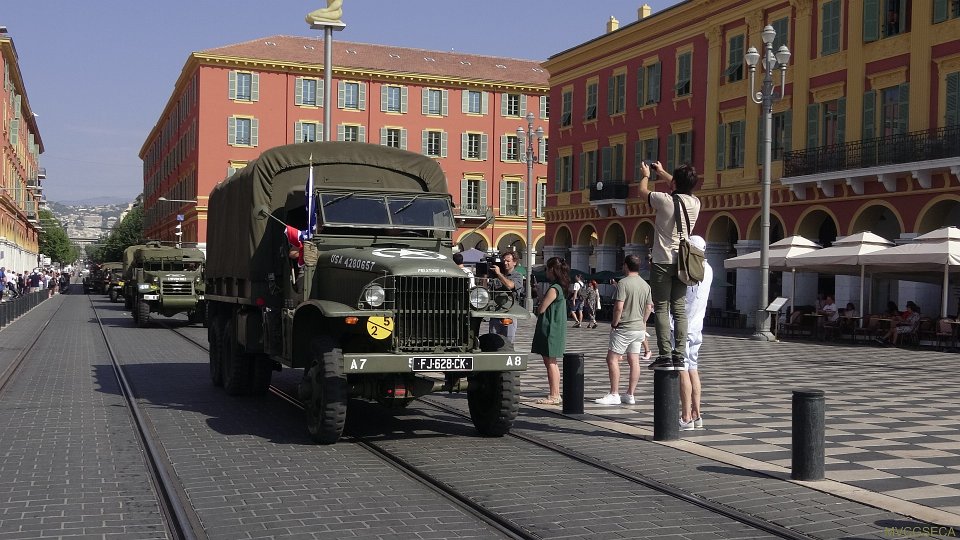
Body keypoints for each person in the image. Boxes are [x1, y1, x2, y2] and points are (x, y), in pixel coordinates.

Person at [638, 160, 701, 370]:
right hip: (683, 262)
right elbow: (679, 186)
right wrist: (663, 172)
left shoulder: (663, 200)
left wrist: (646, 175)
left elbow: (642, 192)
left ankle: (665, 354)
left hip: (662, 261)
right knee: (679, 309)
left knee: (662, 308)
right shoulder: (696, 203)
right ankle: (679, 354)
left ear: (674, 183)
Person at [594, 255, 654, 406]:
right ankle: (630, 394)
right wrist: (643, 322)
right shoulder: (645, 285)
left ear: (626, 265)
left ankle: (614, 393)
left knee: (612, 359)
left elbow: (618, 307)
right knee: (634, 360)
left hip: (624, 327)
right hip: (638, 328)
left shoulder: (623, 283)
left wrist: (614, 323)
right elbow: (649, 307)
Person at [678, 236, 712, 430]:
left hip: (682, 325)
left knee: (682, 369)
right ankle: (697, 414)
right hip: (698, 326)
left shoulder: (688, 268)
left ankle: (686, 417)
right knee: (693, 367)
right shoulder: (709, 269)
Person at [531, 256, 570, 405]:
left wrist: (539, 301)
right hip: (556, 327)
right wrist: (539, 293)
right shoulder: (560, 287)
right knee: (552, 362)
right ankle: (555, 394)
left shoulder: (554, 288)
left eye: (547, 268)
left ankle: (554, 395)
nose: (546, 271)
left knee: (550, 362)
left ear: (553, 269)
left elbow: (541, 309)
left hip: (550, 328)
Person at [489, 251, 524, 342]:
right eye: (504, 260)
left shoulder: (517, 276)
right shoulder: (496, 275)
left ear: (514, 262)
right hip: (496, 312)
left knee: (508, 343)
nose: (505, 263)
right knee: (493, 342)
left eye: (508, 261)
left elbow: (509, 285)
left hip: (509, 313)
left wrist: (499, 274)